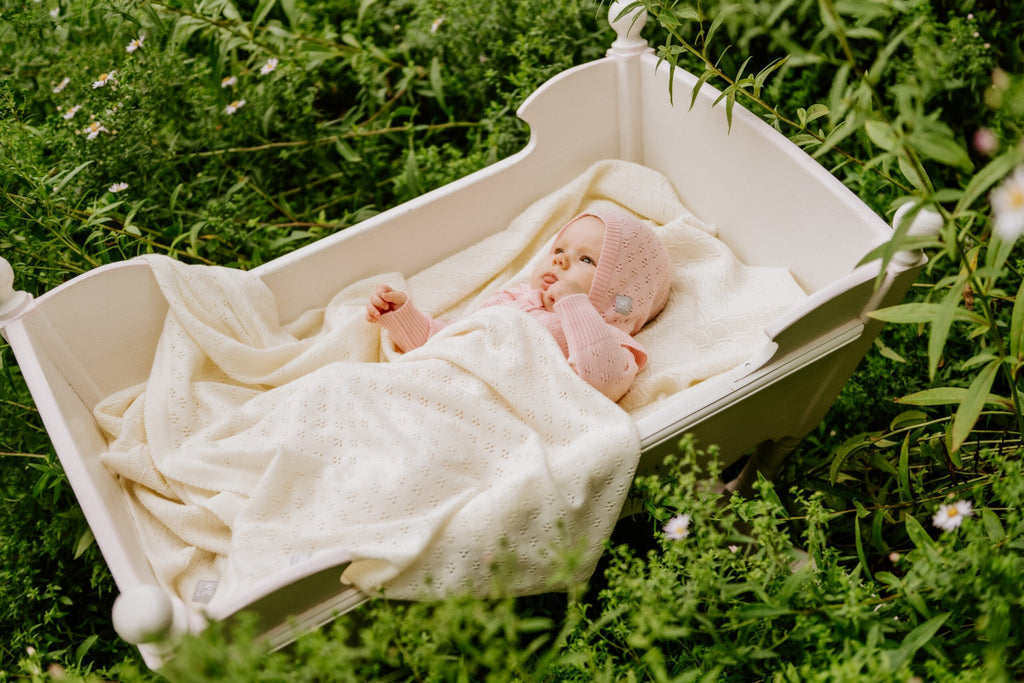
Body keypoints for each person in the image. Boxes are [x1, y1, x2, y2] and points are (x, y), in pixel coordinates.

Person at [366, 210, 673, 401]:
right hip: (439, 382)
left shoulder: (608, 336)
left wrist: (575, 304)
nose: (560, 259)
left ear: (621, 296)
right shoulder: (512, 298)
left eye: (587, 259)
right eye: (560, 249)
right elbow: (449, 341)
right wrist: (401, 316)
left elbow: (603, 383)